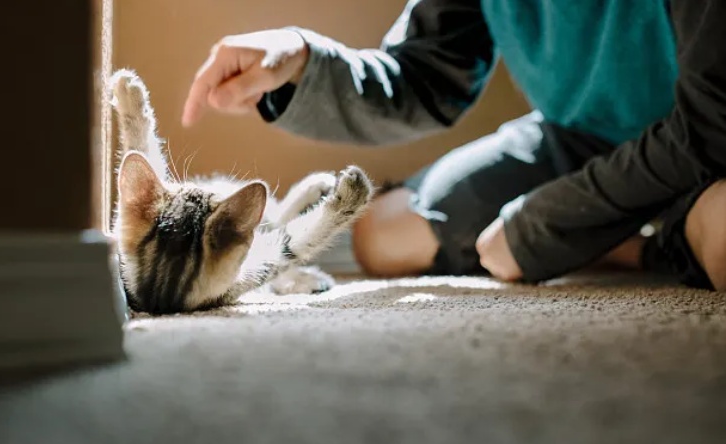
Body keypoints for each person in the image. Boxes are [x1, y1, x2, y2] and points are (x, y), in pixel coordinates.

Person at [181, 0, 726, 291]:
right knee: (381, 234)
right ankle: (629, 242)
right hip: (581, 135)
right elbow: (423, 75)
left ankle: (661, 235)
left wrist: (537, 229)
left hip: (700, 141)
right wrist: (300, 57)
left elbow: (710, 121)